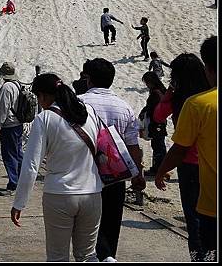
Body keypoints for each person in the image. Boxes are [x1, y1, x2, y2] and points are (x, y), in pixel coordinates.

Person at [11, 73, 102, 262]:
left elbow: (31, 166)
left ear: (43, 96)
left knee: (57, 257)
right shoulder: (89, 113)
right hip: (92, 192)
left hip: (60, 194)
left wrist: (19, 202)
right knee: (87, 255)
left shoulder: (44, 118)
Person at [78, 58, 146, 262]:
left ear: (88, 79)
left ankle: (95, 256)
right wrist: (137, 175)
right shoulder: (124, 106)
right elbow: (133, 146)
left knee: (86, 223)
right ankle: (109, 256)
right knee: (111, 221)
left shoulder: (79, 102)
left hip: (85, 173)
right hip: (116, 175)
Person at [153, 50, 213, 261]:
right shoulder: (209, 94)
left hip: (188, 164)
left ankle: (199, 257)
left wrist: (170, 90)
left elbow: (159, 116)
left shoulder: (181, 99)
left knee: (194, 218)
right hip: (210, 161)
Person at [0, 62, 25, 195]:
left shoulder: (6, 87)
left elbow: (3, 108)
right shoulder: (17, 85)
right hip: (18, 123)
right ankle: (23, 178)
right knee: (18, 152)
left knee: (9, 154)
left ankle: (13, 184)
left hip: (9, 124)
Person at [139, 72, 167, 175]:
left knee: (158, 146)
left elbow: (153, 107)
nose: (146, 85)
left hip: (156, 122)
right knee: (159, 145)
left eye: (147, 82)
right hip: (160, 121)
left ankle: (158, 169)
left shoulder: (156, 93)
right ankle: (160, 168)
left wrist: (144, 112)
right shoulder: (161, 91)